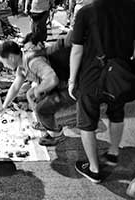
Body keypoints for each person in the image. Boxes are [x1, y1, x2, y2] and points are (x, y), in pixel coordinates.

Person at [68, 0, 135, 183]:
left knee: (87, 121)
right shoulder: (132, 7)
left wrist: (72, 80)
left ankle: (94, 168)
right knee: (117, 112)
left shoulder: (86, 11)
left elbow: (77, 50)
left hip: (92, 75)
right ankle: (113, 153)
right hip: (120, 74)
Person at [0, 36, 70, 146]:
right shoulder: (21, 65)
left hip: (66, 84)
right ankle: (45, 123)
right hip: (55, 83)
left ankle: (57, 135)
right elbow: (15, 87)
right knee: (30, 95)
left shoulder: (32, 61)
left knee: (41, 108)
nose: (4, 65)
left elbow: (52, 79)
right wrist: (4, 106)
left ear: (11, 57)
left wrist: (38, 90)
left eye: (3, 61)